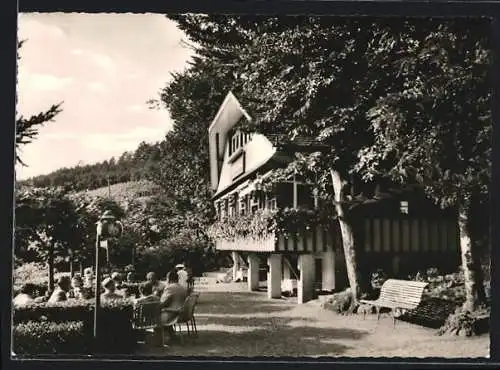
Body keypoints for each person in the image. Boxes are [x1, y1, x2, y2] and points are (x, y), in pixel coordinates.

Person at [160, 269, 188, 343]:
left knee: (154, 314)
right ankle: (172, 335)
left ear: (168, 278)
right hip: (181, 312)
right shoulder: (182, 287)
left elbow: (162, 303)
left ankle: (158, 339)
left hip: (173, 313)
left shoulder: (170, 288)